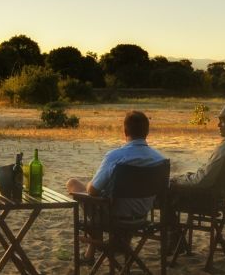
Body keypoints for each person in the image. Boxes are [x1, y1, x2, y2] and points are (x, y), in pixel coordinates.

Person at [67, 111, 167, 263]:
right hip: (142, 217)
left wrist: (91, 185)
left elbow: (92, 191)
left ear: (125, 131)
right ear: (147, 132)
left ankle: (92, 250)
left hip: (114, 218)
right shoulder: (159, 160)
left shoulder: (116, 156)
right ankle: (119, 244)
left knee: (73, 184)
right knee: (111, 198)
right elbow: (162, 191)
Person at [174, 104, 225, 189]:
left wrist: (179, 180)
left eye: (223, 122)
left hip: (205, 195)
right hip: (223, 192)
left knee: (171, 183)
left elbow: (203, 180)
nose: (218, 125)